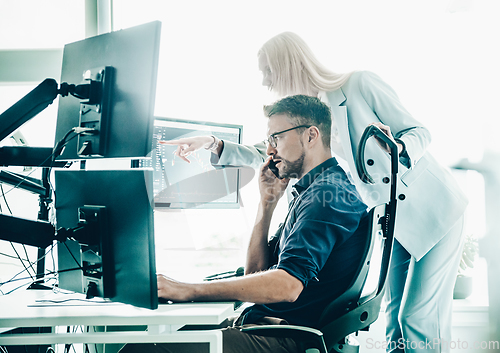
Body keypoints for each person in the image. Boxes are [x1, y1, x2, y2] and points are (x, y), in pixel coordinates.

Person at [163, 32, 468, 353]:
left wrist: (398, 148)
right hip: (393, 223)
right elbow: (266, 152)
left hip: (433, 210)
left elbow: (419, 131)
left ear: (286, 64)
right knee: (393, 319)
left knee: (417, 320)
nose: (265, 82)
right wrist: (213, 143)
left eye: (267, 71)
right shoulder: (305, 119)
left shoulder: (358, 85)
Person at [120, 95, 370, 353]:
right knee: (154, 340)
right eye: (269, 141)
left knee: (145, 349)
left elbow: (288, 285)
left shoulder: (325, 197)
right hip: (269, 326)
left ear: (311, 136)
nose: (271, 151)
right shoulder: (314, 191)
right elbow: (256, 274)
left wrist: (187, 289)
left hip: (286, 338)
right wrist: (267, 203)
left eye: (277, 138)